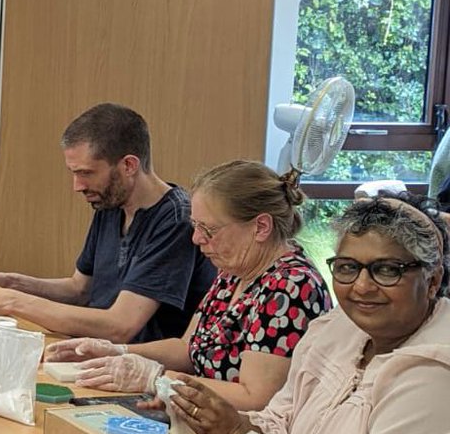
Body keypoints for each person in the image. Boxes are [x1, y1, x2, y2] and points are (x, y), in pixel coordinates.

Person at [172, 193, 450, 434]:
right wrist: (200, 414)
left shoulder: (438, 366)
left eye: (386, 270)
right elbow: (282, 420)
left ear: (433, 280)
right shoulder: (335, 329)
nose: (362, 287)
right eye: (348, 267)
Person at [47, 160, 332, 409]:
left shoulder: (291, 287)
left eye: (208, 229)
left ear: (260, 227)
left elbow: (256, 398)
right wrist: (116, 352)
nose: (196, 239)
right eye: (195, 226)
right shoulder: (234, 271)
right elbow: (188, 349)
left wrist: (155, 379)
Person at [0, 103, 216, 343]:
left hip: (139, 368)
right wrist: (11, 283)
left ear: (128, 165)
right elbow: (80, 289)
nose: (77, 186)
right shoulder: (110, 202)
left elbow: (121, 325)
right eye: (74, 173)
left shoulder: (175, 220)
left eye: (86, 173)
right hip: (97, 354)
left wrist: (11, 301)